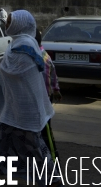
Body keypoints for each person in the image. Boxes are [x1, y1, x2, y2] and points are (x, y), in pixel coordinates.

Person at [0, 10, 56, 184]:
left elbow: (16, 72)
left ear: (20, 25)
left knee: (34, 150)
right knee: (2, 141)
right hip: (13, 108)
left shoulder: (25, 47)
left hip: (27, 112)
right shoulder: (16, 44)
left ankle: (51, 179)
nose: (6, 25)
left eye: (9, 22)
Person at [36, 30, 62, 160]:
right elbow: (53, 75)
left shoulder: (35, 56)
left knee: (44, 129)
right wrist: (56, 90)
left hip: (40, 98)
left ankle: (51, 159)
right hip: (47, 96)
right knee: (45, 127)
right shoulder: (45, 55)